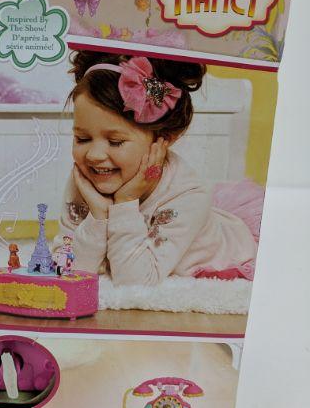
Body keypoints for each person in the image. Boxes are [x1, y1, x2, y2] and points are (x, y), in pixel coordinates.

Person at [53, 51, 262, 286]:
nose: (94, 155)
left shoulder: (188, 196)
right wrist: (98, 216)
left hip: (232, 250)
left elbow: (135, 283)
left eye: (115, 142)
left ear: (164, 138)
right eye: (82, 139)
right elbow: (64, 270)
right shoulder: (86, 178)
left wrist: (125, 202)